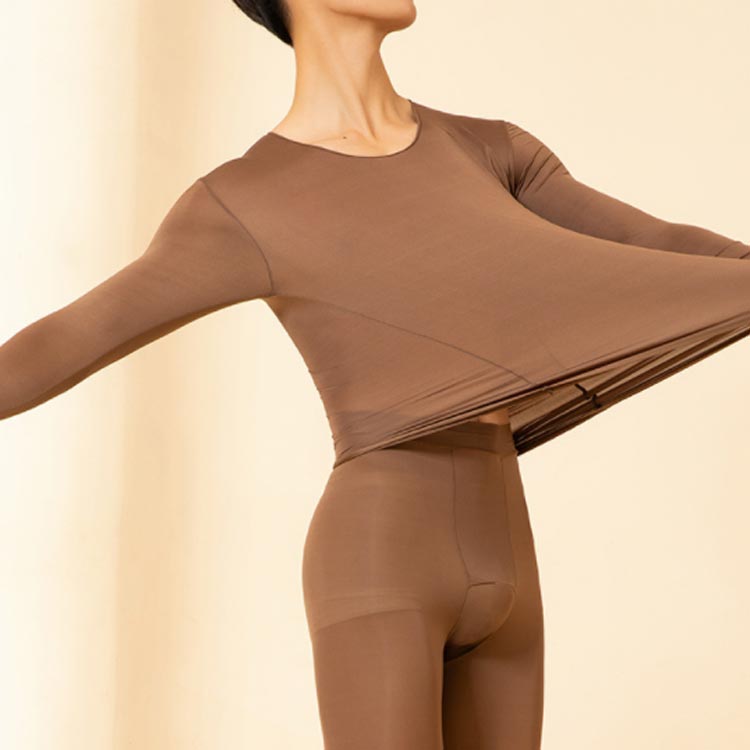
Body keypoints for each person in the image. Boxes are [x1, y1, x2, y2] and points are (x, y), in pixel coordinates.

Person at [2, 1, 748, 747]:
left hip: (508, 554)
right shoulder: (243, 202)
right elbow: (68, 338)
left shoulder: (490, 149)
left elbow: (679, 254)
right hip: (379, 558)